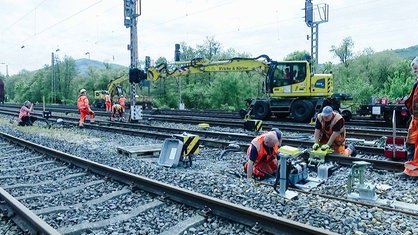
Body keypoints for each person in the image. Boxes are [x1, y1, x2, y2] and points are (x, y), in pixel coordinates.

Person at [398, 56, 418, 178]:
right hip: (415, 119)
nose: (414, 71)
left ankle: (414, 172)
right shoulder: (417, 83)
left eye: (416, 69)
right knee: (411, 144)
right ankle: (410, 171)